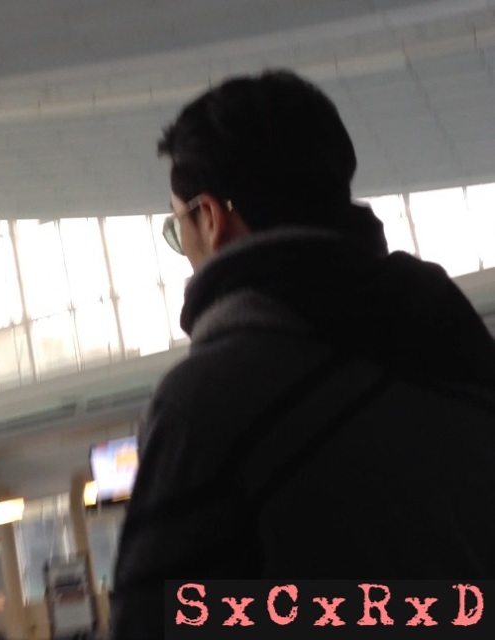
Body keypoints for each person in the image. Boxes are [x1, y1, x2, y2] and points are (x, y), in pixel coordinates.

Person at [109, 69, 495, 639]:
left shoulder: (206, 404)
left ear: (211, 218)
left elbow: (151, 623)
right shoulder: (457, 342)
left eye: (177, 225)